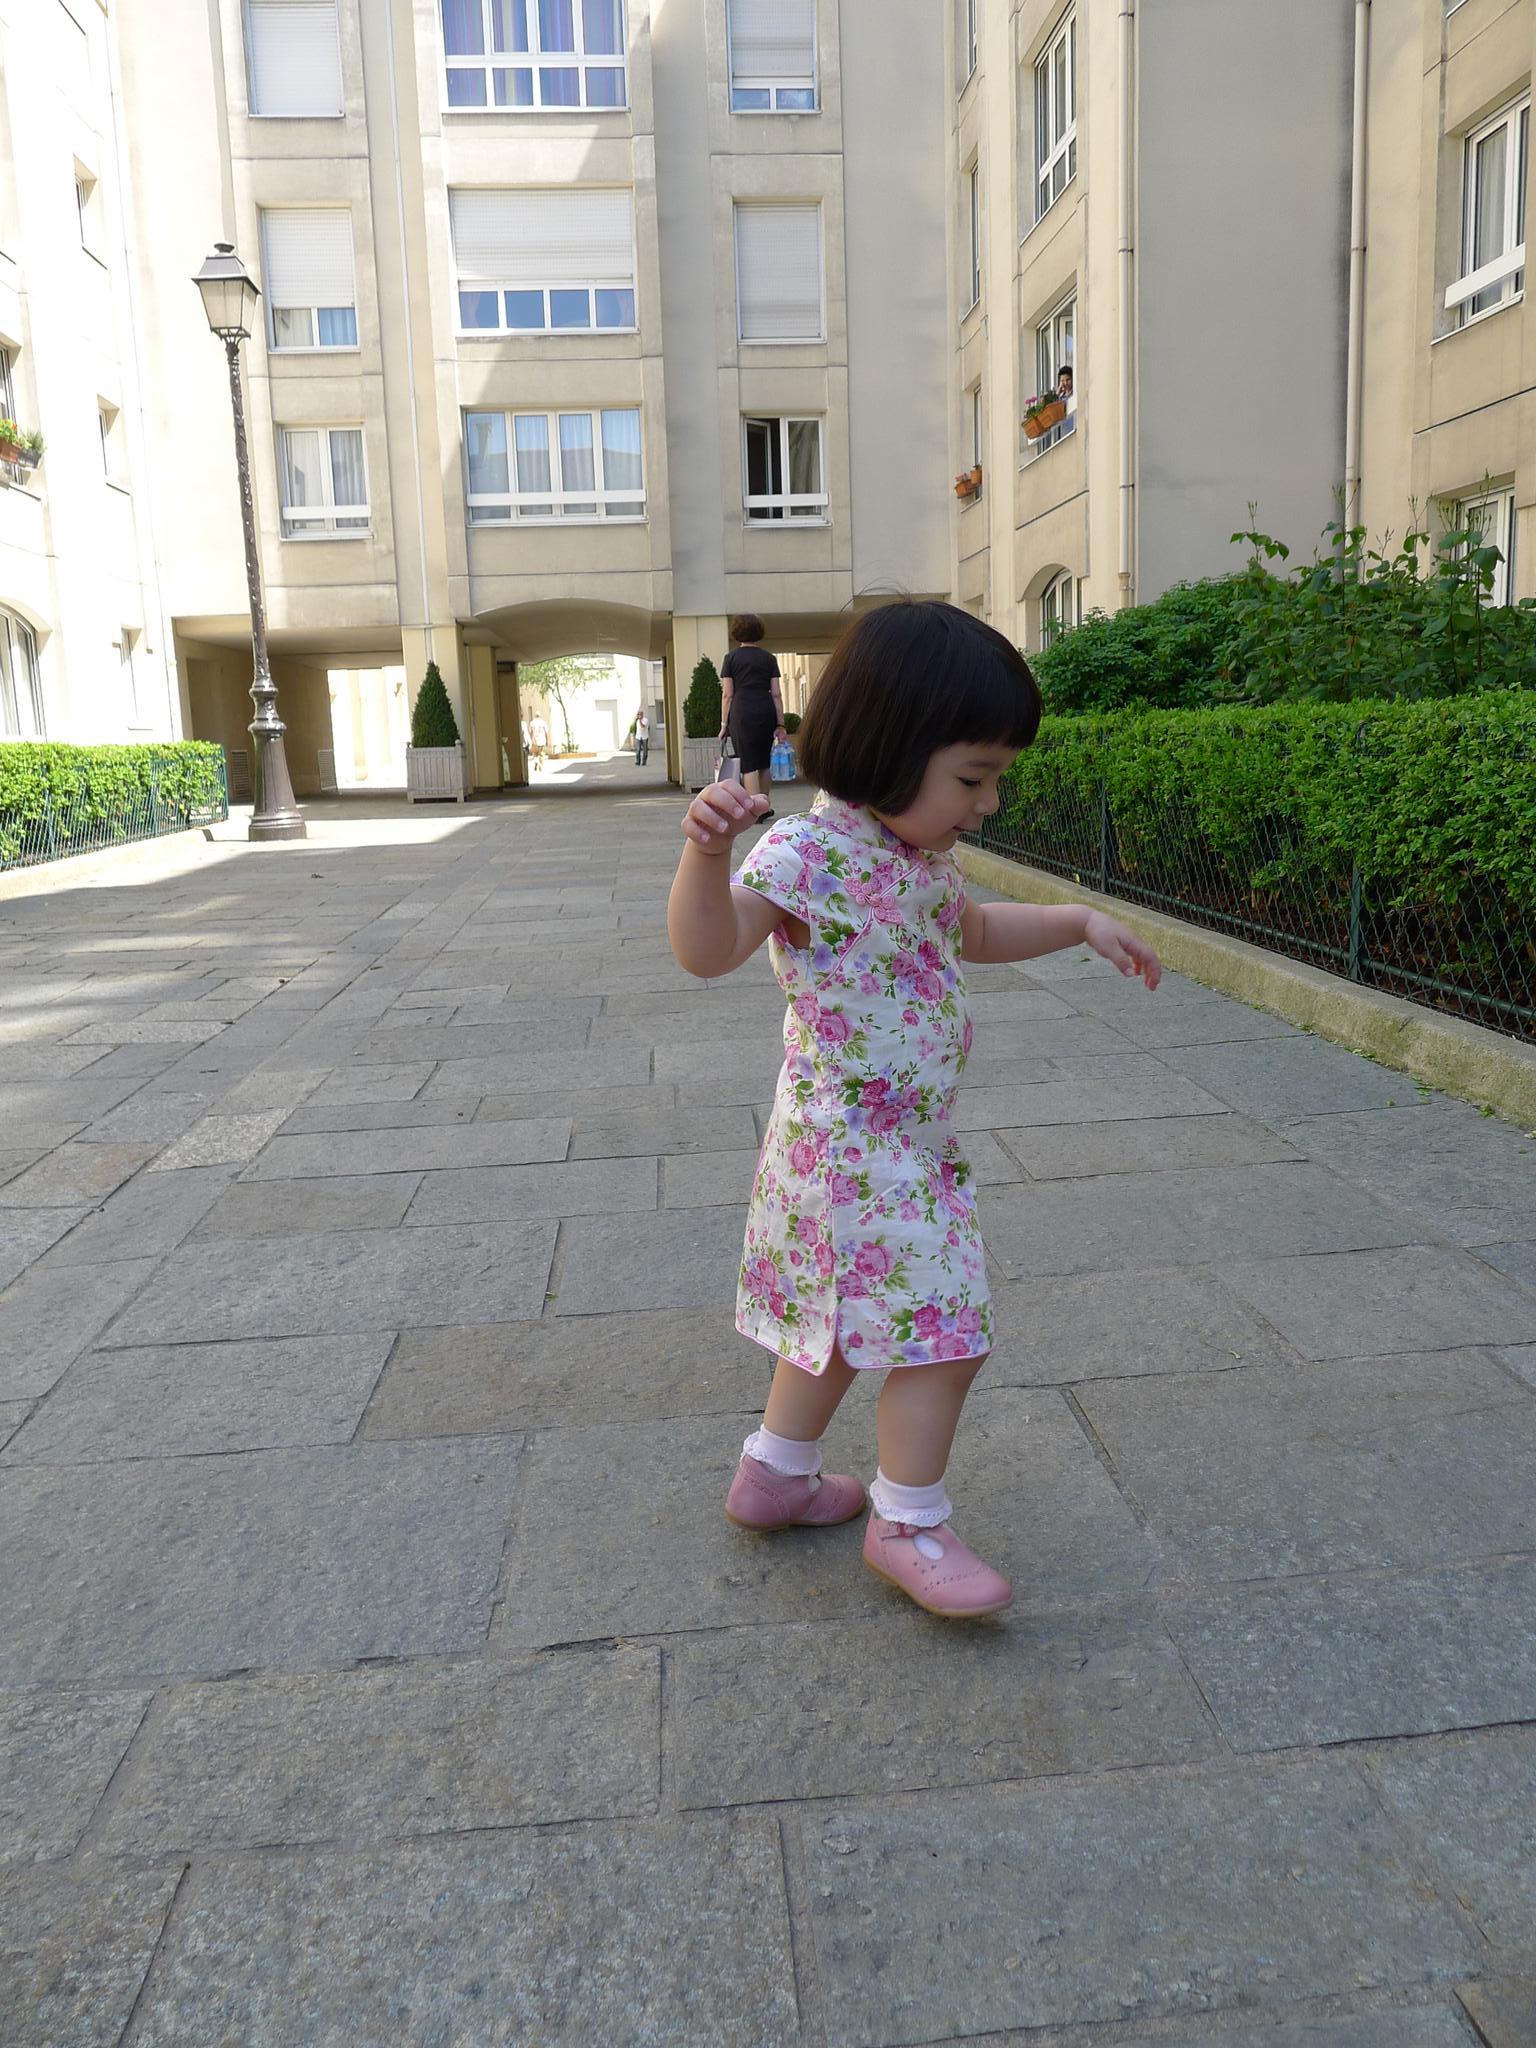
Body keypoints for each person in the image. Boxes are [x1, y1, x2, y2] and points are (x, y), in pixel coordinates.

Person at [667, 601, 1161, 1618]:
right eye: (973, 778)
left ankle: (776, 1470)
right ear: (889, 746)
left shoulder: (916, 859)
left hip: (890, 1148)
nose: (988, 803)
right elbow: (707, 950)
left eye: (995, 779)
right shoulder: (806, 855)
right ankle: (908, 1523)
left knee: (839, 1323)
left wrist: (1076, 919)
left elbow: (971, 929)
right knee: (947, 1329)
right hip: (855, 1153)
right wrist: (705, 857)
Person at [719, 614, 787, 822]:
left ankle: (755, 811)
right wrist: (781, 723)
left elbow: (727, 695)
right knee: (764, 761)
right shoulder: (769, 658)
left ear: (736, 633)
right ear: (759, 632)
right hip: (765, 710)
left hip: (742, 713)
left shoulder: (730, 658)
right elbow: (776, 693)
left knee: (748, 762)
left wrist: (724, 724)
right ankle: (764, 806)